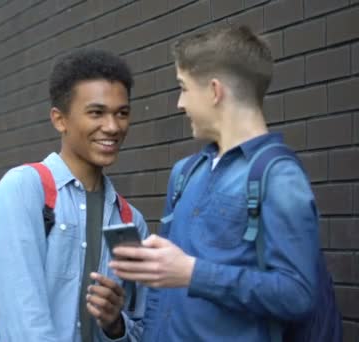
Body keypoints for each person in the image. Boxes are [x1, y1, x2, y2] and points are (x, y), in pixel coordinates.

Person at [109, 25, 320, 341]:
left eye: (183, 87)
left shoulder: (279, 176)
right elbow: (161, 292)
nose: (180, 103)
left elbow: (297, 295)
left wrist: (192, 273)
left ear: (214, 91)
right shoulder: (184, 173)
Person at [0, 49, 149, 341]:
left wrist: (116, 326)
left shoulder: (131, 221)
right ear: (60, 120)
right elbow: (23, 323)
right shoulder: (23, 191)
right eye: (96, 113)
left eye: (121, 113)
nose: (112, 127)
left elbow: (143, 329)